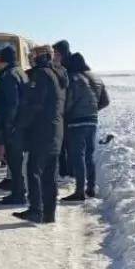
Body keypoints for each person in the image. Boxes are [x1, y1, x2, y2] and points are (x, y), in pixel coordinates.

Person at [15, 46, 68, 224]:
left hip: (41, 131)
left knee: (34, 171)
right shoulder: (58, 75)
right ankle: (48, 213)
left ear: (42, 57)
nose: (30, 59)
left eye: (33, 56)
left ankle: (36, 209)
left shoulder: (41, 75)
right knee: (49, 175)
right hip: (56, 130)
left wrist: (20, 124)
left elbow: (35, 104)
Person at [62, 52, 110, 202]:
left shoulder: (73, 78)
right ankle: (91, 188)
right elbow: (106, 101)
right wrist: (92, 109)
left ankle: (79, 191)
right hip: (92, 121)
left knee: (78, 156)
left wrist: (65, 114)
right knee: (89, 155)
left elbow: (69, 101)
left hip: (76, 121)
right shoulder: (96, 78)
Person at [0, 46, 28, 206]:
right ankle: (17, 190)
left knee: (14, 160)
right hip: (21, 123)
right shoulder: (20, 72)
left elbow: (11, 103)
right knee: (15, 160)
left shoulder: (9, 76)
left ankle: (18, 193)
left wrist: (9, 124)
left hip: (13, 125)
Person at [52, 40, 74, 181]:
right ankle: (63, 171)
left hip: (69, 113)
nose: (55, 56)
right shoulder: (57, 67)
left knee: (68, 145)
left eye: (57, 53)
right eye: (54, 53)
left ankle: (68, 172)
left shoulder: (69, 68)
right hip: (62, 112)